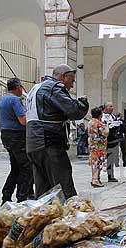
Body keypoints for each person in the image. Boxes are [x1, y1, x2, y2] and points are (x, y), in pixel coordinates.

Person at [26, 64, 89, 199]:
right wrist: (83, 103)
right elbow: (74, 111)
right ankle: (71, 217)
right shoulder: (54, 87)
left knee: (44, 189)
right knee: (64, 186)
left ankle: (44, 217)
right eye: (71, 81)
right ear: (64, 77)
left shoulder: (35, 88)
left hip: (33, 144)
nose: (71, 86)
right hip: (49, 142)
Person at [0, 78, 34, 205]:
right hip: (17, 136)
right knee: (27, 167)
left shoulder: (1, 100)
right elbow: (23, 120)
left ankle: (6, 196)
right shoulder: (15, 100)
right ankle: (23, 196)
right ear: (18, 87)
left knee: (15, 168)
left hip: (6, 135)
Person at [88, 107, 109, 188]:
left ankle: (95, 178)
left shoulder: (90, 122)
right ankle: (95, 180)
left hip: (92, 144)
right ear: (100, 115)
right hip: (99, 146)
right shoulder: (99, 123)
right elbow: (105, 133)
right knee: (98, 162)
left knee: (94, 162)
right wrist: (107, 125)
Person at [101, 102, 122, 182]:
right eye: (110, 106)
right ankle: (99, 176)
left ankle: (111, 175)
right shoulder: (103, 116)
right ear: (106, 108)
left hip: (114, 139)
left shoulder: (112, 115)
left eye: (112, 106)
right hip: (107, 140)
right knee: (105, 158)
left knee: (111, 158)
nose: (112, 108)